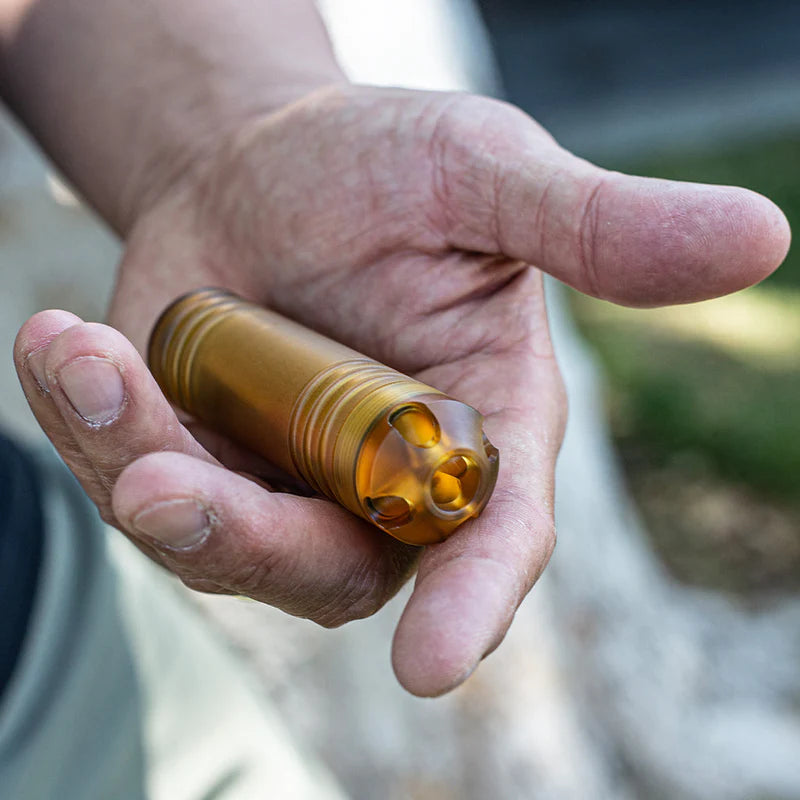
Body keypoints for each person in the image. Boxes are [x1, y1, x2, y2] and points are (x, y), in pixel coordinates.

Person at [0, 0, 791, 792]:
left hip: (50, 629)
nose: (450, 481)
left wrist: (234, 131)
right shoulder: (420, 451)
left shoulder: (422, 445)